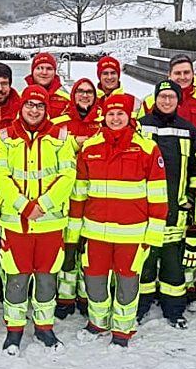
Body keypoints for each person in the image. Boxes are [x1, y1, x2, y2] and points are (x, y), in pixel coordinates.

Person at [69, 93, 167, 347]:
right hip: (95, 232)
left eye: (120, 114)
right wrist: (74, 232)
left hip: (131, 233)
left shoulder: (147, 148)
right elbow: (79, 192)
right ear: (104, 116)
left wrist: (153, 234)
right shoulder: (90, 147)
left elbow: (158, 194)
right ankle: (98, 322)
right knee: (94, 278)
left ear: (129, 116)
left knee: (127, 281)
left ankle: (123, 329)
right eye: (111, 114)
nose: (115, 118)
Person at [0, 85, 76, 354]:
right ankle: (14, 330)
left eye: (39, 106)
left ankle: (44, 327)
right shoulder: (3, 137)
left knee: (47, 278)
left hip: (50, 222)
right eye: (30, 104)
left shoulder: (62, 137)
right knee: (15, 277)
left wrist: (43, 204)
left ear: (46, 109)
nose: (34, 110)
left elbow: (67, 176)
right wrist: (24, 206)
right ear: (21, 106)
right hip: (15, 222)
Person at [136, 80, 196, 329]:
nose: (166, 101)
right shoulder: (140, 128)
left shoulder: (191, 132)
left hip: (177, 210)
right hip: (144, 211)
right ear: (155, 99)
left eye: (171, 97)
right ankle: (139, 307)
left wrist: (193, 202)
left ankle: (174, 309)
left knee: (173, 265)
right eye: (162, 96)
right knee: (143, 264)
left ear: (178, 100)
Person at [50, 78, 102, 318]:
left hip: (95, 197)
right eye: (80, 91)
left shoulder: (105, 122)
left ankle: (85, 297)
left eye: (89, 92)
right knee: (67, 251)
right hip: (66, 198)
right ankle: (65, 298)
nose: (84, 96)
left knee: (89, 252)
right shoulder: (59, 124)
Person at [139, 55, 196, 133]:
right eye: (177, 73)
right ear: (169, 74)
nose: (182, 77)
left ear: (193, 74)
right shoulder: (149, 103)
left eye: (186, 72)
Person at [22, 53, 70, 118]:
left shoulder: (67, 100)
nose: (44, 72)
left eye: (49, 69)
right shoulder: (19, 98)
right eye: (39, 68)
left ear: (55, 72)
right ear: (32, 71)